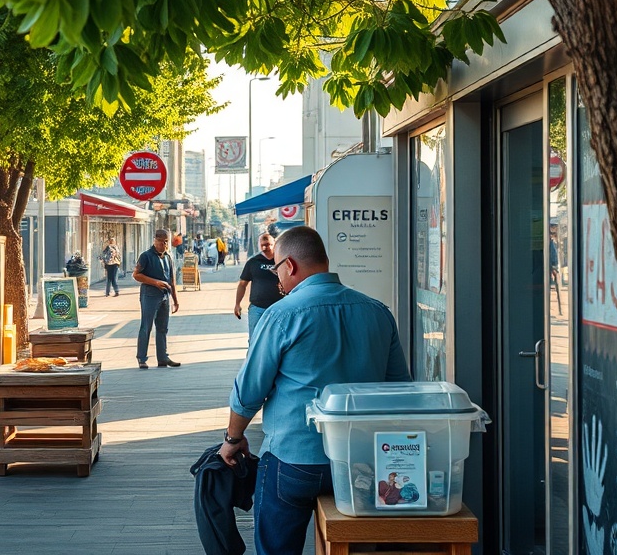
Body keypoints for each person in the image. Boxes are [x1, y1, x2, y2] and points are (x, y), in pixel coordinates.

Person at [218, 226, 411, 555]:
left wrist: (233, 441)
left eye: (277, 269)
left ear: (290, 266)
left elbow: (250, 390)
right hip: (360, 463)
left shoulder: (281, 314)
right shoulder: (377, 312)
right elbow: (399, 390)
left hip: (294, 460)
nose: (277, 280)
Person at [132, 228, 180, 369]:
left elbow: (172, 280)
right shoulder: (146, 256)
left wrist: (175, 300)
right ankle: (142, 358)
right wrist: (155, 282)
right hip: (149, 295)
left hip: (165, 296)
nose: (163, 245)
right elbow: (136, 275)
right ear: (155, 240)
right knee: (146, 327)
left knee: (163, 328)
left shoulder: (168, 257)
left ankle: (163, 357)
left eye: (166, 242)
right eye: (160, 241)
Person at [233, 232, 281, 340]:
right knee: (255, 340)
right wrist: (237, 304)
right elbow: (242, 284)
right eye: (263, 245)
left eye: (268, 244)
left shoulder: (281, 261)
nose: (265, 247)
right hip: (257, 308)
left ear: (274, 244)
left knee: (277, 339)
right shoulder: (253, 262)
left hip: (279, 307)